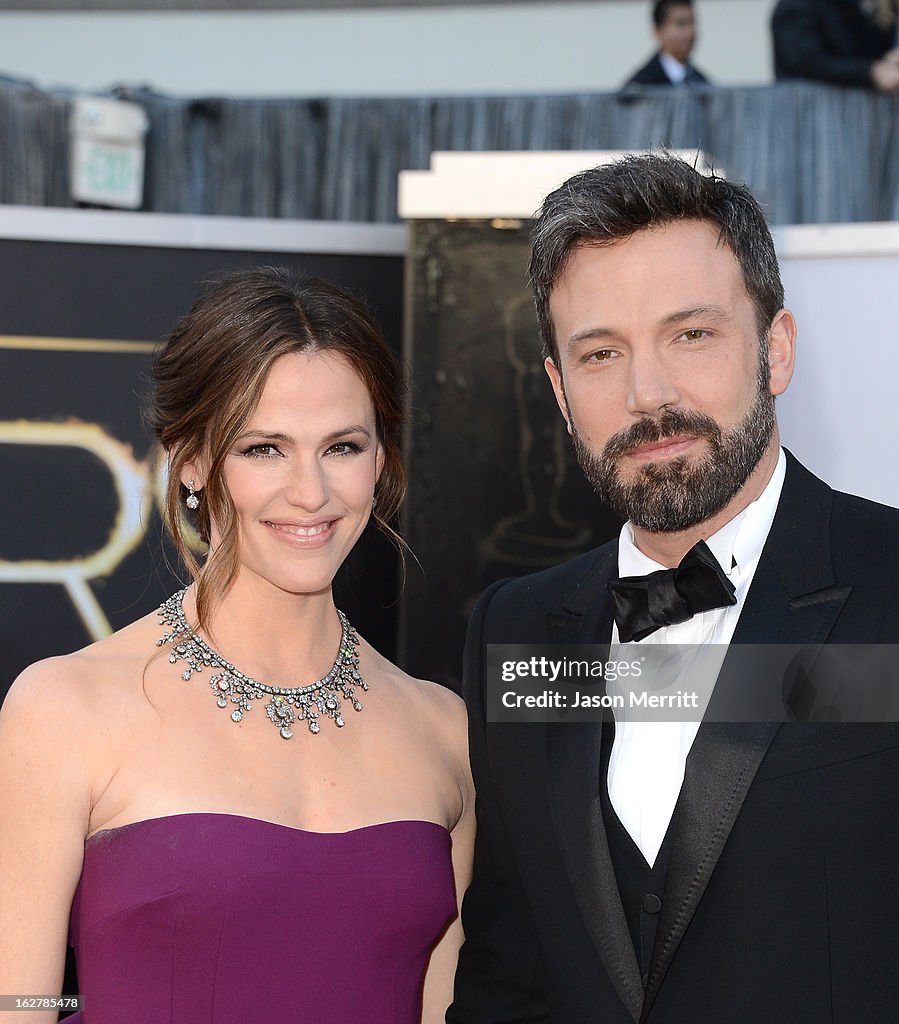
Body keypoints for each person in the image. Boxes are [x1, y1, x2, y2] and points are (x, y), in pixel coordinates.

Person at [448, 154, 898, 1022]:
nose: (645, 395)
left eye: (690, 335)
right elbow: (505, 964)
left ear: (774, 350)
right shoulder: (519, 631)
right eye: (599, 353)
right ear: (559, 390)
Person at [0, 268, 475, 1024]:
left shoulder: (442, 731)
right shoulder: (64, 709)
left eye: (342, 446)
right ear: (189, 459)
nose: (310, 492)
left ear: (380, 460)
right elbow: (17, 1004)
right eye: (264, 449)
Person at [772, 0, 899, 93]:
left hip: (853, 114)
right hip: (803, 113)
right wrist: (871, 72)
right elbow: (806, 64)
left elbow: (874, 55)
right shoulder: (795, 6)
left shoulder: (853, 9)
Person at [623, 1, 710, 89]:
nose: (690, 31)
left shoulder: (702, 83)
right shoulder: (640, 87)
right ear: (658, 31)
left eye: (692, 22)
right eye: (681, 24)